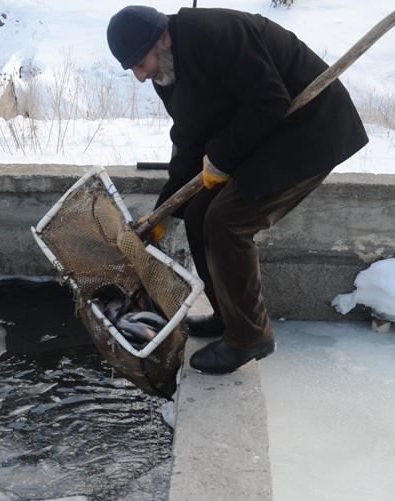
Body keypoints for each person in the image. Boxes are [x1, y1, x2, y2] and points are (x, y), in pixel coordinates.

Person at [106, 5, 368, 374]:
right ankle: (229, 317)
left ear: (163, 38)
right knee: (198, 216)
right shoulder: (167, 70)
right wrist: (161, 214)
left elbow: (271, 101)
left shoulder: (215, 33)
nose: (139, 76)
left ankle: (250, 336)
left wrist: (222, 157)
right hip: (262, 134)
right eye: (132, 68)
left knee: (228, 222)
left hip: (309, 126)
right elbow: (189, 135)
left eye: (140, 63)